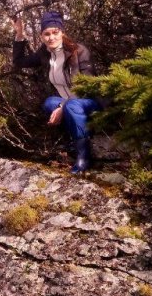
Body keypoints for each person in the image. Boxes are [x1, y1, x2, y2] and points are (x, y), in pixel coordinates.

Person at [12, 11, 101, 174]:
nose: (51, 38)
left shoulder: (79, 51)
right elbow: (19, 62)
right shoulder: (45, 54)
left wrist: (64, 106)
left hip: (90, 101)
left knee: (70, 106)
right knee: (50, 103)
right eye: (47, 34)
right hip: (69, 102)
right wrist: (19, 34)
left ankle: (83, 157)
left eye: (55, 32)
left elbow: (88, 87)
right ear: (41, 36)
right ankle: (73, 138)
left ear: (62, 32)